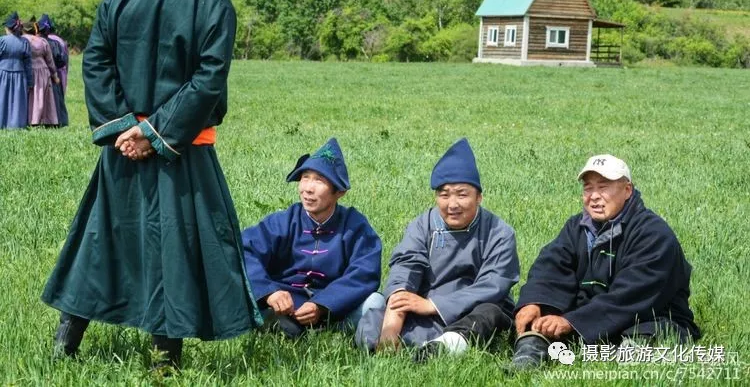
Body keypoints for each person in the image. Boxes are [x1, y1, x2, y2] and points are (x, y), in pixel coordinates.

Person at [41, 0, 262, 370]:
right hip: (181, 148)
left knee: (103, 240)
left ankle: (66, 345)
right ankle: (164, 364)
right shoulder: (216, 5)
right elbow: (207, 82)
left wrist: (125, 128)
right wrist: (153, 133)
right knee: (175, 248)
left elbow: (95, 62)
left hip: (124, 147)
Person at [511, 154, 701, 369]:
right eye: (588, 188)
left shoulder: (653, 234)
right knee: (540, 320)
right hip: (588, 313)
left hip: (645, 316)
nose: (594, 196)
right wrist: (534, 302)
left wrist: (571, 322)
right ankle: (527, 359)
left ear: (627, 190)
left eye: (603, 187)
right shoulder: (576, 227)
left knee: (643, 340)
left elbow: (633, 295)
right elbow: (551, 267)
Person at [355, 138, 520, 362]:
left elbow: (493, 286)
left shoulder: (500, 232)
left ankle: (443, 347)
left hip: (470, 309)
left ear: (479, 197)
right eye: (444, 195)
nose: (452, 204)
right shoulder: (423, 225)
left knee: (488, 315)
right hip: (423, 306)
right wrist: (392, 326)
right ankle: (414, 346)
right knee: (374, 321)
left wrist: (433, 305)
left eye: (462, 194)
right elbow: (405, 268)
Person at [242, 137, 383, 338]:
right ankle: (285, 329)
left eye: (319, 180)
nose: (308, 188)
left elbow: (364, 273)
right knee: (246, 298)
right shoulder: (282, 222)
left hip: (337, 311)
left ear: (339, 192)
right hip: (286, 308)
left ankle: (345, 340)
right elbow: (245, 251)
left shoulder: (355, 225)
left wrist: (323, 305)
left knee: (375, 303)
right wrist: (270, 292)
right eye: (305, 177)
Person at [23, 16, 59, 127]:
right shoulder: (43, 41)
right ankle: (46, 120)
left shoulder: (23, 40)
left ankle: (30, 120)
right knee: (41, 96)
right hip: (43, 71)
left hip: (28, 70)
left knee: (31, 96)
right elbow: (50, 61)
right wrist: (55, 75)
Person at [0, 12, 33, 129]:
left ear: (7, 28)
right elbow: (28, 64)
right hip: (20, 75)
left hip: (2, 73)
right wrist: (30, 82)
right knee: (17, 101)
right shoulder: (24, 42)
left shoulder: (2, 41)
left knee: (2, 98)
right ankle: (16, 125)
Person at [37, 14, 68, 126]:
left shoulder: (36, 42)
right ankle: (59, 121)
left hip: (39, 75)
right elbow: (62, 61)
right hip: (53, 75)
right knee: (56, 100)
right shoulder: (55, 43)